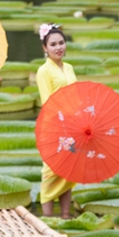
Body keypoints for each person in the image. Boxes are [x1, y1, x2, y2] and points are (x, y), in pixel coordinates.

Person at [35, 23, 77, 219]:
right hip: (54, 127)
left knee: (68, 172)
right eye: (53, 44)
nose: (58, 47)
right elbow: (47, 103)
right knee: (51, 171)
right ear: (45, 48)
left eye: (61, 43)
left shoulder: (69, 67)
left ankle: (66, 215)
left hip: (73, 125)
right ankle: (48, 218)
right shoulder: (44, 71)